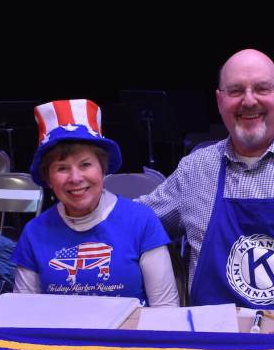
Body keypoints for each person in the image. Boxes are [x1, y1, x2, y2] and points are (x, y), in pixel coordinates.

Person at [138, 48, 274, 310]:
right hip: (208, 333)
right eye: (235, 91)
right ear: (220, 101)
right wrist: (96, 197)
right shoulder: (194, 170)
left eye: (262, 89)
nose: (249, 101)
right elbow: (135, 222)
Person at [12, 99, 178, 306]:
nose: (75, 178)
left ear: (103, 169)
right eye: (62, 168)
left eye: (85, 164)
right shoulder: (34, 232)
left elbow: (166, 309)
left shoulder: (141, 221)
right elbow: (23, 312)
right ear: (48, 179)